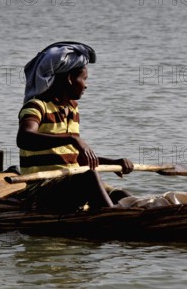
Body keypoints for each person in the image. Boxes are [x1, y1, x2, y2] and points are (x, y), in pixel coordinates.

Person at [16, 42, 133, 212]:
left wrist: (113, 162)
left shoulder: (72, 109)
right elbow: (24, 138)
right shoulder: (37, 106)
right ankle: (115, 220)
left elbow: (74, 158)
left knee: (122, 195)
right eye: (84, 79)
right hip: (41, 191)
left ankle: (126, 216)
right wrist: (72, 139)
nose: (86, 85)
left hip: (69, 183)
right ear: (70, 79)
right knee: (89, 177)